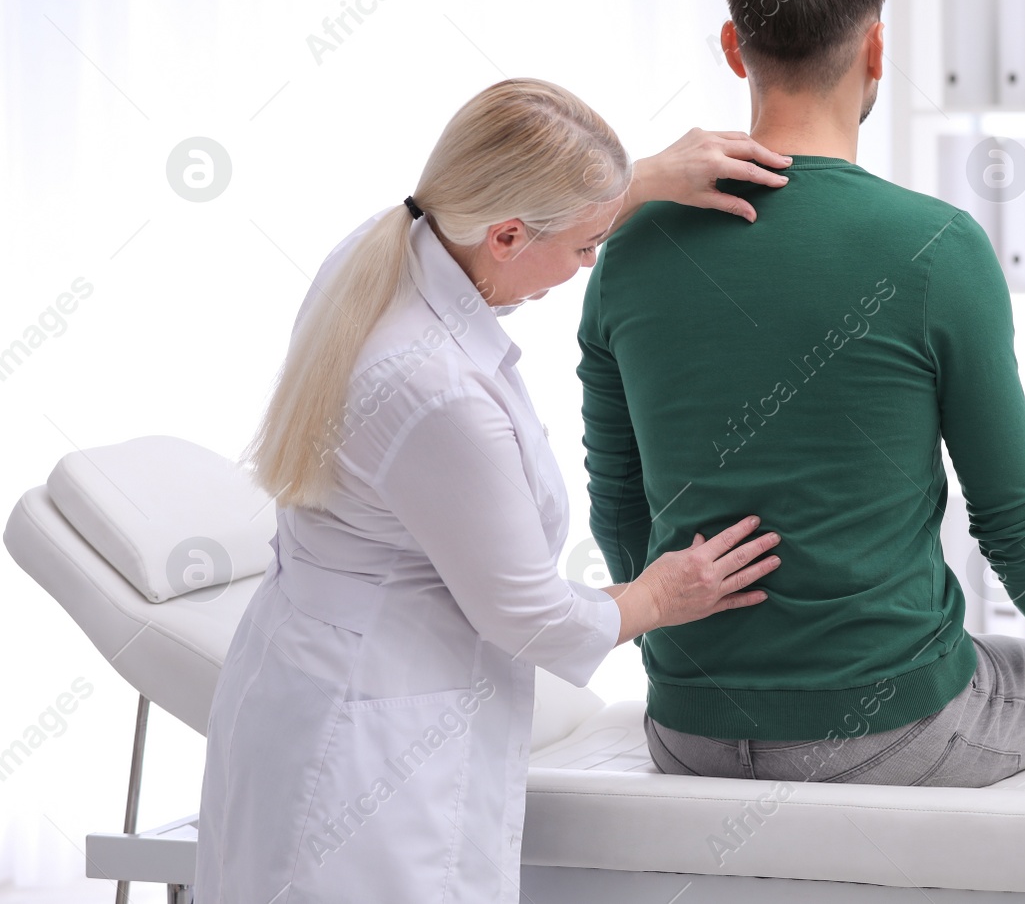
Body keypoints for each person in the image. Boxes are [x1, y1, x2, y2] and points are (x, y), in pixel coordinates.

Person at [577, 0, 1025, 789]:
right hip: (890, 727)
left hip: (686, 727)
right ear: (875, 52)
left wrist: (699, 664)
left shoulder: (626, 249)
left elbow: (618, 505)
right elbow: (1016, 514)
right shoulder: (937, 246)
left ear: (733, 46)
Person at [195, 79, 792, 902]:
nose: (590, 264)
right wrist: (660, 594)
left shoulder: (383, 245)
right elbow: (530, 615)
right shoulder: (435, 390)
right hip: (366, 739)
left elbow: (532, 214)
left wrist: (645, 176)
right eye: (586, 246)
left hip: (305, 679)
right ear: (508, 234)